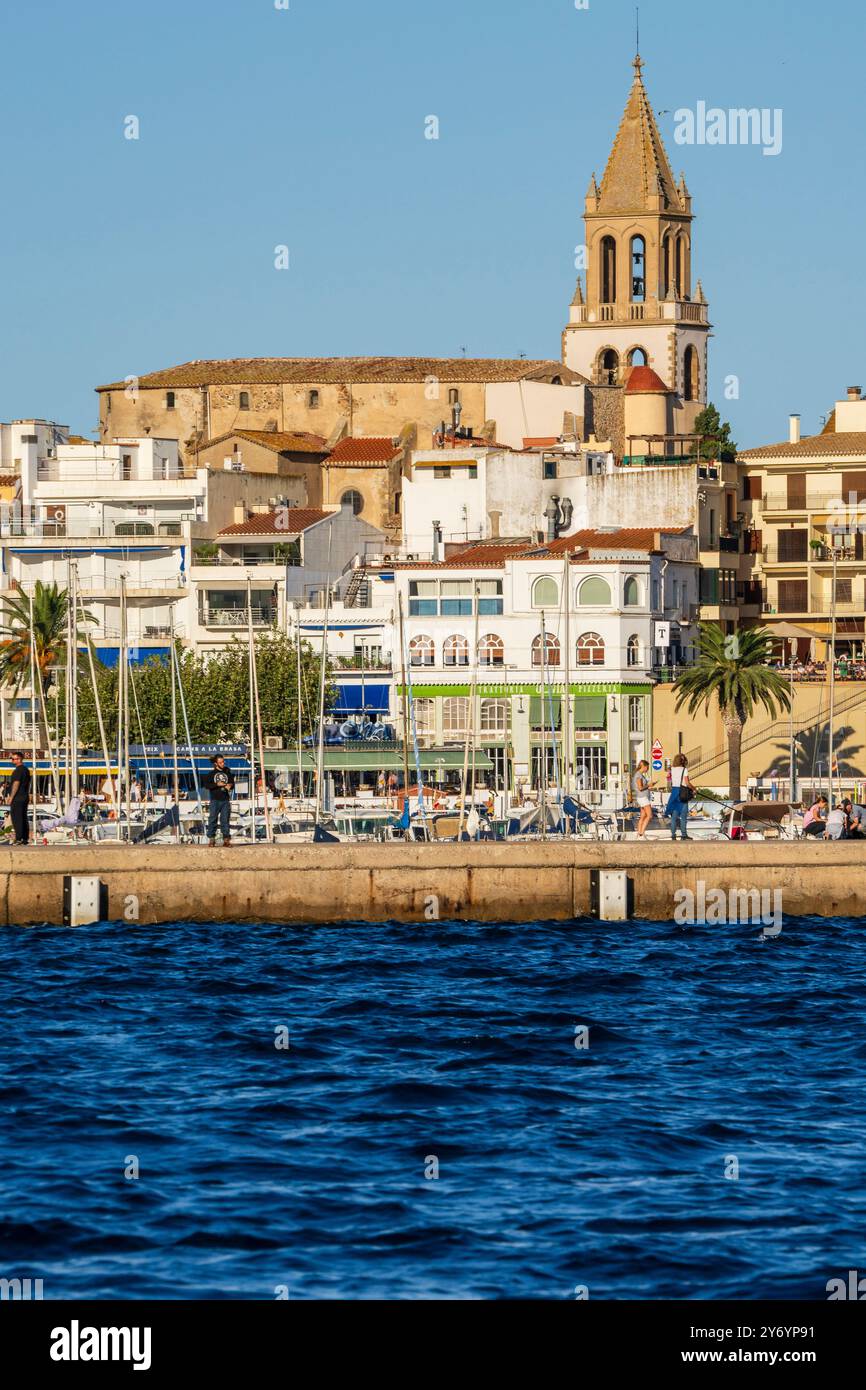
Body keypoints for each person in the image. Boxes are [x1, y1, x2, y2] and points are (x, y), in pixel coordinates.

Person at [204, 754, 235, 847]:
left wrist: (230, 786)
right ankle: (212, 839)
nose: (223, 763)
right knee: (212, 819)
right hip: (215, 800)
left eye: (223, 761)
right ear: (216, 763)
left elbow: (232, 783)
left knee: (225, 820)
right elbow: (207, 785)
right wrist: (217, 784)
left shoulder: (227, 772)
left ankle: (226, 840)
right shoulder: (211, 774)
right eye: (220, 762)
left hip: (225, 800)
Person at [6, 751, 31, 845]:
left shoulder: (18, 770)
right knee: (23, 817)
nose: (12, 760)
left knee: (17, 818)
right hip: (24, 796)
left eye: (13, 759)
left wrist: (11, 797)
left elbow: (16, 783)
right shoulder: (26, 770)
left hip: (18, 797)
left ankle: (19, 838)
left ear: (19, 759)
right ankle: (24, 838)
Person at [666, 753, 693, 841]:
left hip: (674, 792)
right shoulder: (684, 770)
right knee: (683, 816)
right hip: (682, 792)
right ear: (683, 761)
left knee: (674, 816)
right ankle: (684, 834)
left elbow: (669, 780)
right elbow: (687, 783)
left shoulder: (671, 769)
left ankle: (673, 834)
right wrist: (694, 789)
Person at [633, 760, 654, 838]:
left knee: (643, 816)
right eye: (647, 767)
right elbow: (640, 788)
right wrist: (649, 785)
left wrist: (649, 786)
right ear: (644, 767)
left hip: (641, 797)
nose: (648, 769)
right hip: (643, 797)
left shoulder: (639, 775)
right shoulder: (639, 775)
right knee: (649, 815)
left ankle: (639, 834)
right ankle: (641, 833)